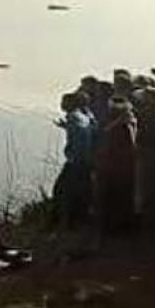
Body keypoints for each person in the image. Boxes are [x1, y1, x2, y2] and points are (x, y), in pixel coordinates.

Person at [94, 96, 138, 237]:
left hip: (117, 166)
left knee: (117, 196)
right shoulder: (127, 123)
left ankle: (116, 227)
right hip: (122, 166)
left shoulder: (123, 126)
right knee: (121, 196)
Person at [53, 92, 94, 229]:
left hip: (77, 162)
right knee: (79, 192)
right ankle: (76, 221)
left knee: (61, 191)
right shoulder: (84, 116)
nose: (61, 104)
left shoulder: (73, 118)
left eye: (64, 101)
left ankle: (66, 223)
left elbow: (78, 141)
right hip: (84, 161)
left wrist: (75, 159)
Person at [135, 88, 155, 231]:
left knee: (146, 188)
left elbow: (139, 136)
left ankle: (146, 222)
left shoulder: (144, 115)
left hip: (147, 154)